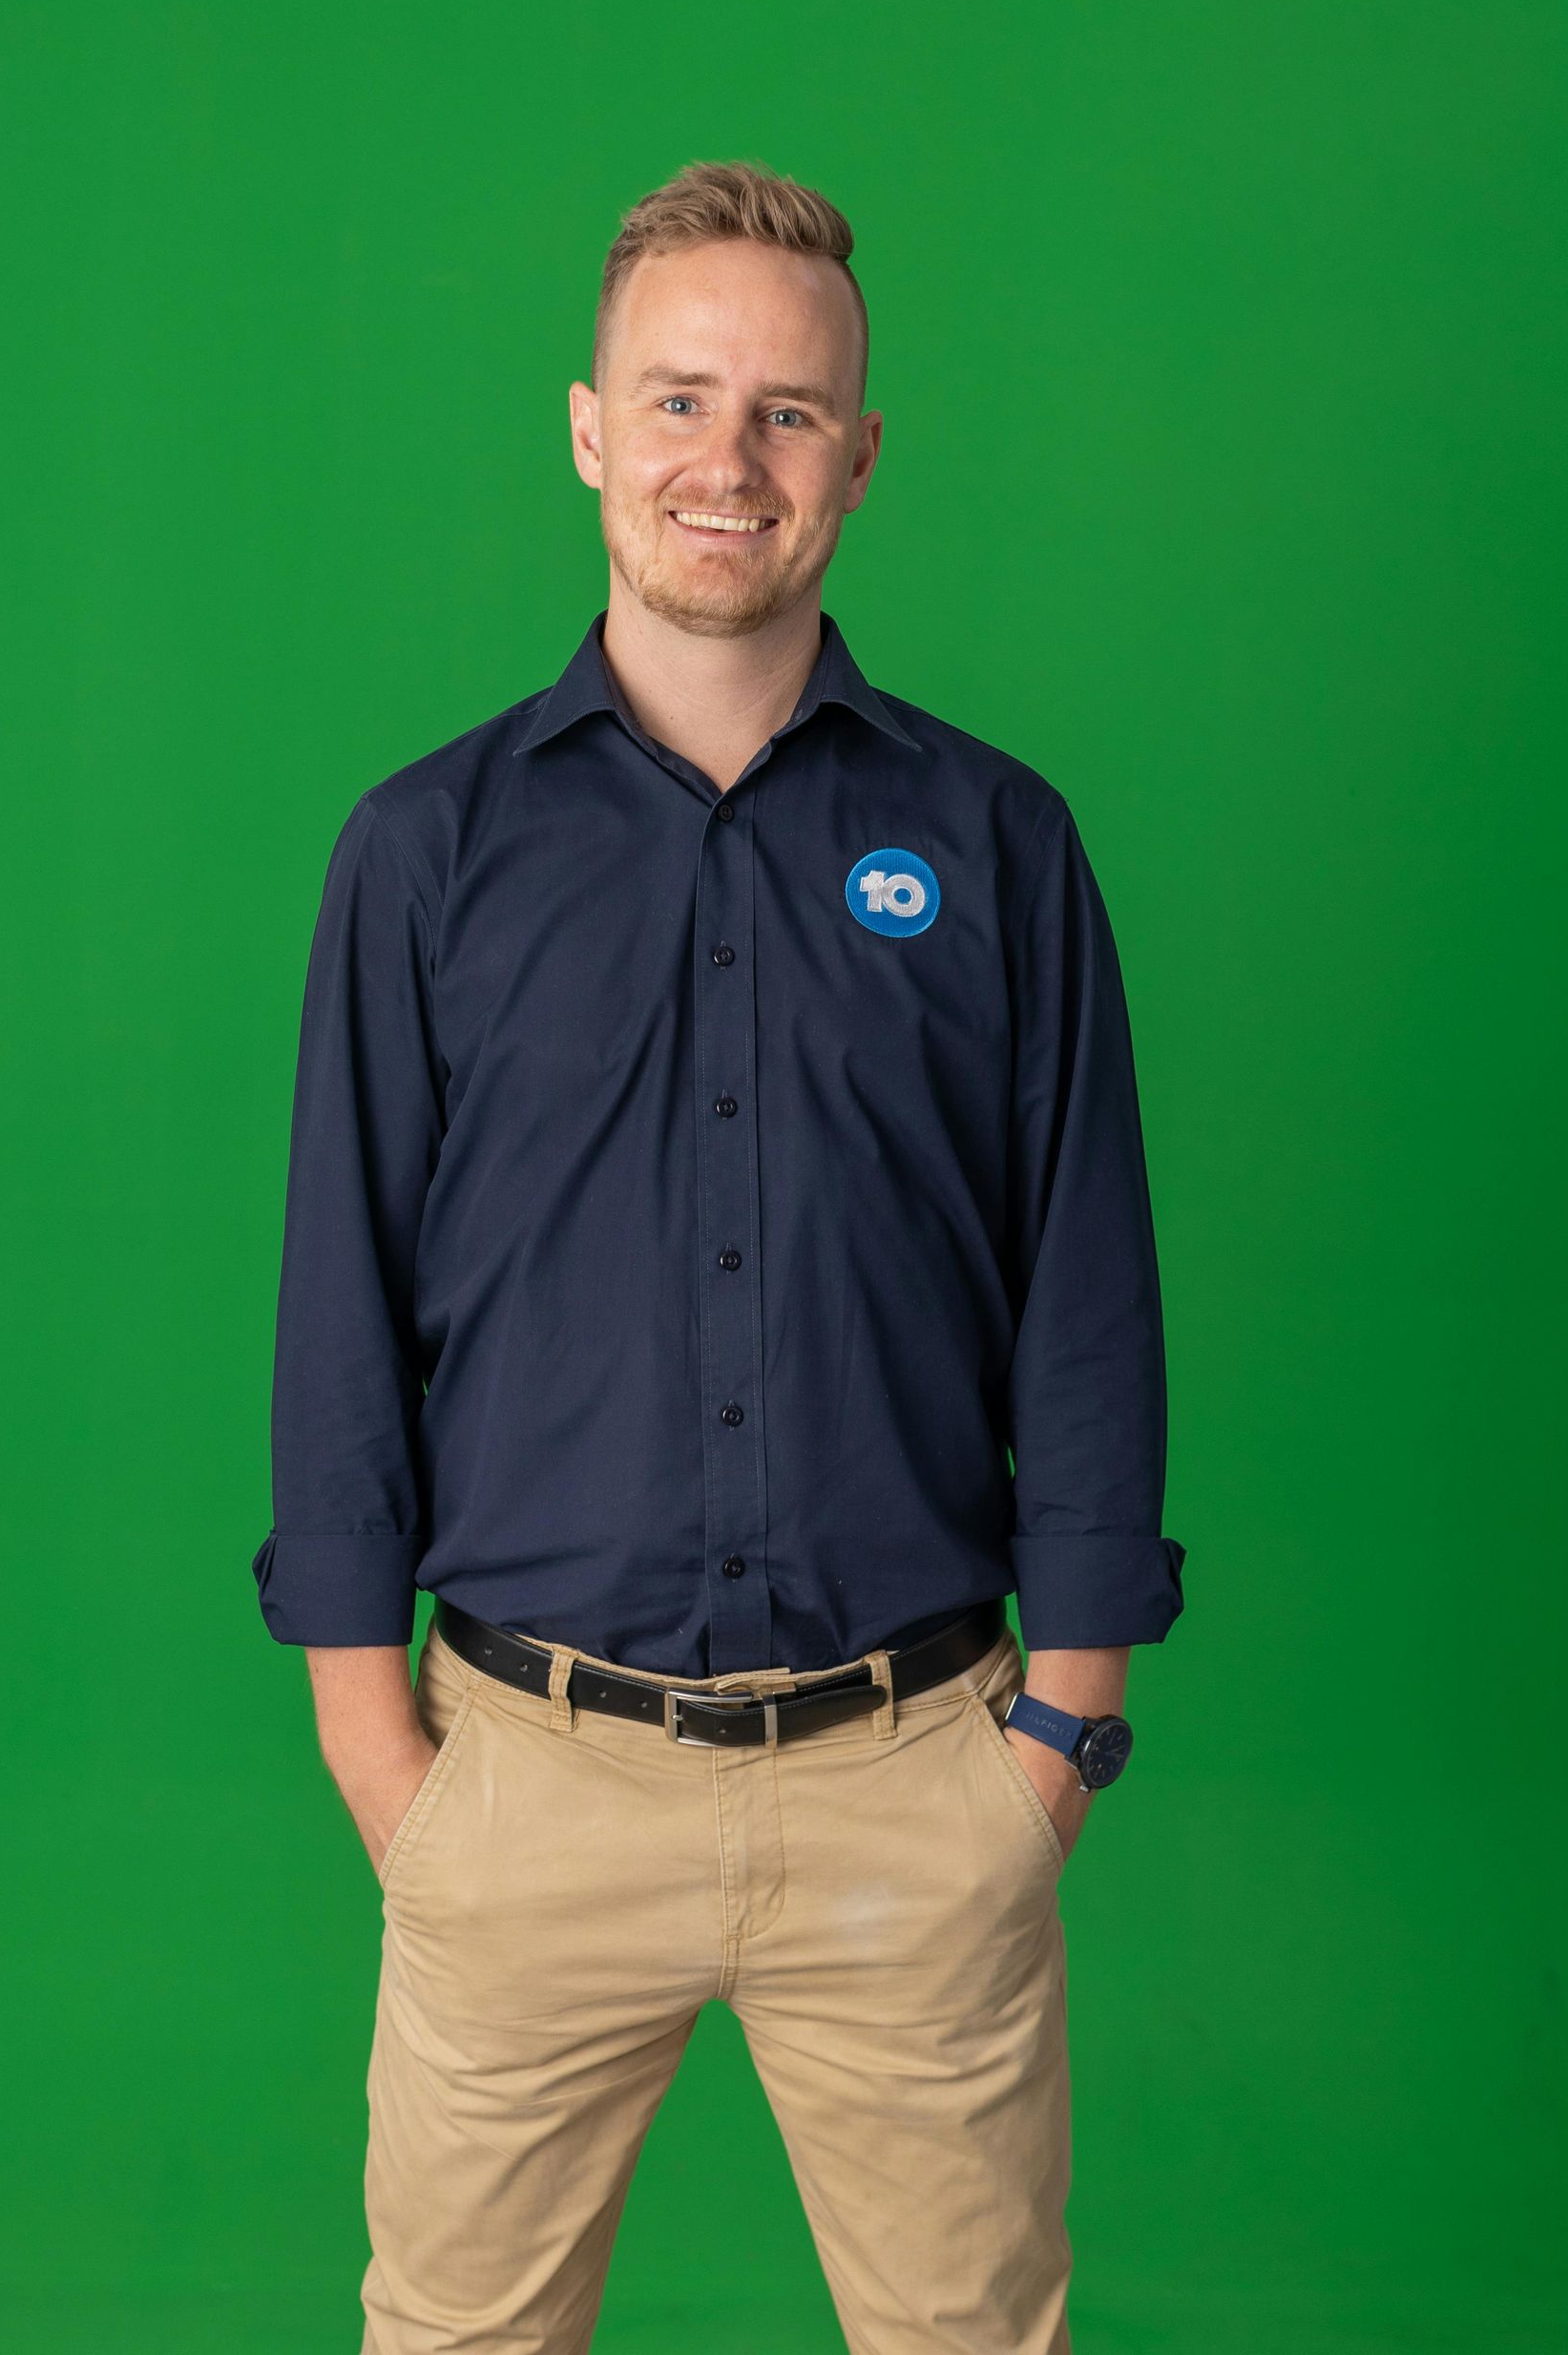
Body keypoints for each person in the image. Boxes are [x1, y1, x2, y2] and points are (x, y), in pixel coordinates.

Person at [251, 156, 1185, 2355]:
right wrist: (387, 1765)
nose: (727, 459)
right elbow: (339, 1317)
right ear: (591, 428)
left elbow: (1087, 1297)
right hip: (526, 1780)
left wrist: (1062, 1733)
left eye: (787, 413)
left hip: (919, 1780)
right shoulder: (425, 854)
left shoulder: (998, 846)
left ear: (859, 455)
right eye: (679, 399)